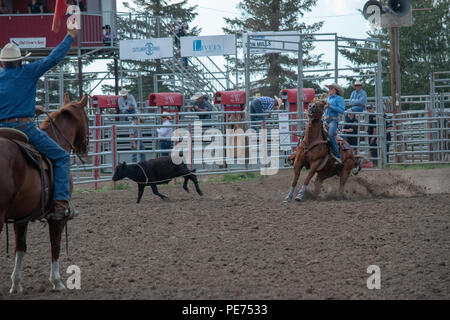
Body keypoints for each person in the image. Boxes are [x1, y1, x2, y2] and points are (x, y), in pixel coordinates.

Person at [0, 27, 79, 219]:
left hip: (0, 130)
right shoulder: (28, 71)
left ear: (2, 63)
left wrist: (29, 107)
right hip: (24, 128)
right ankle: (60, 203)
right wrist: (70, 36)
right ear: (20, 60)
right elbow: (53, 58)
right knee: (61, 157)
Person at [323, 83, 345, 164]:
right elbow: (325, 110)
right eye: (329, 89)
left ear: (335, 90)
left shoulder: (339, 99)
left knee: (331, 135)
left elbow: (342, 110)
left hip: (333, 120)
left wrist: (330, 106)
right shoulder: (327, 98)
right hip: (325, 120)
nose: (329, 90)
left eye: (331, 89)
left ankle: (338, 156)